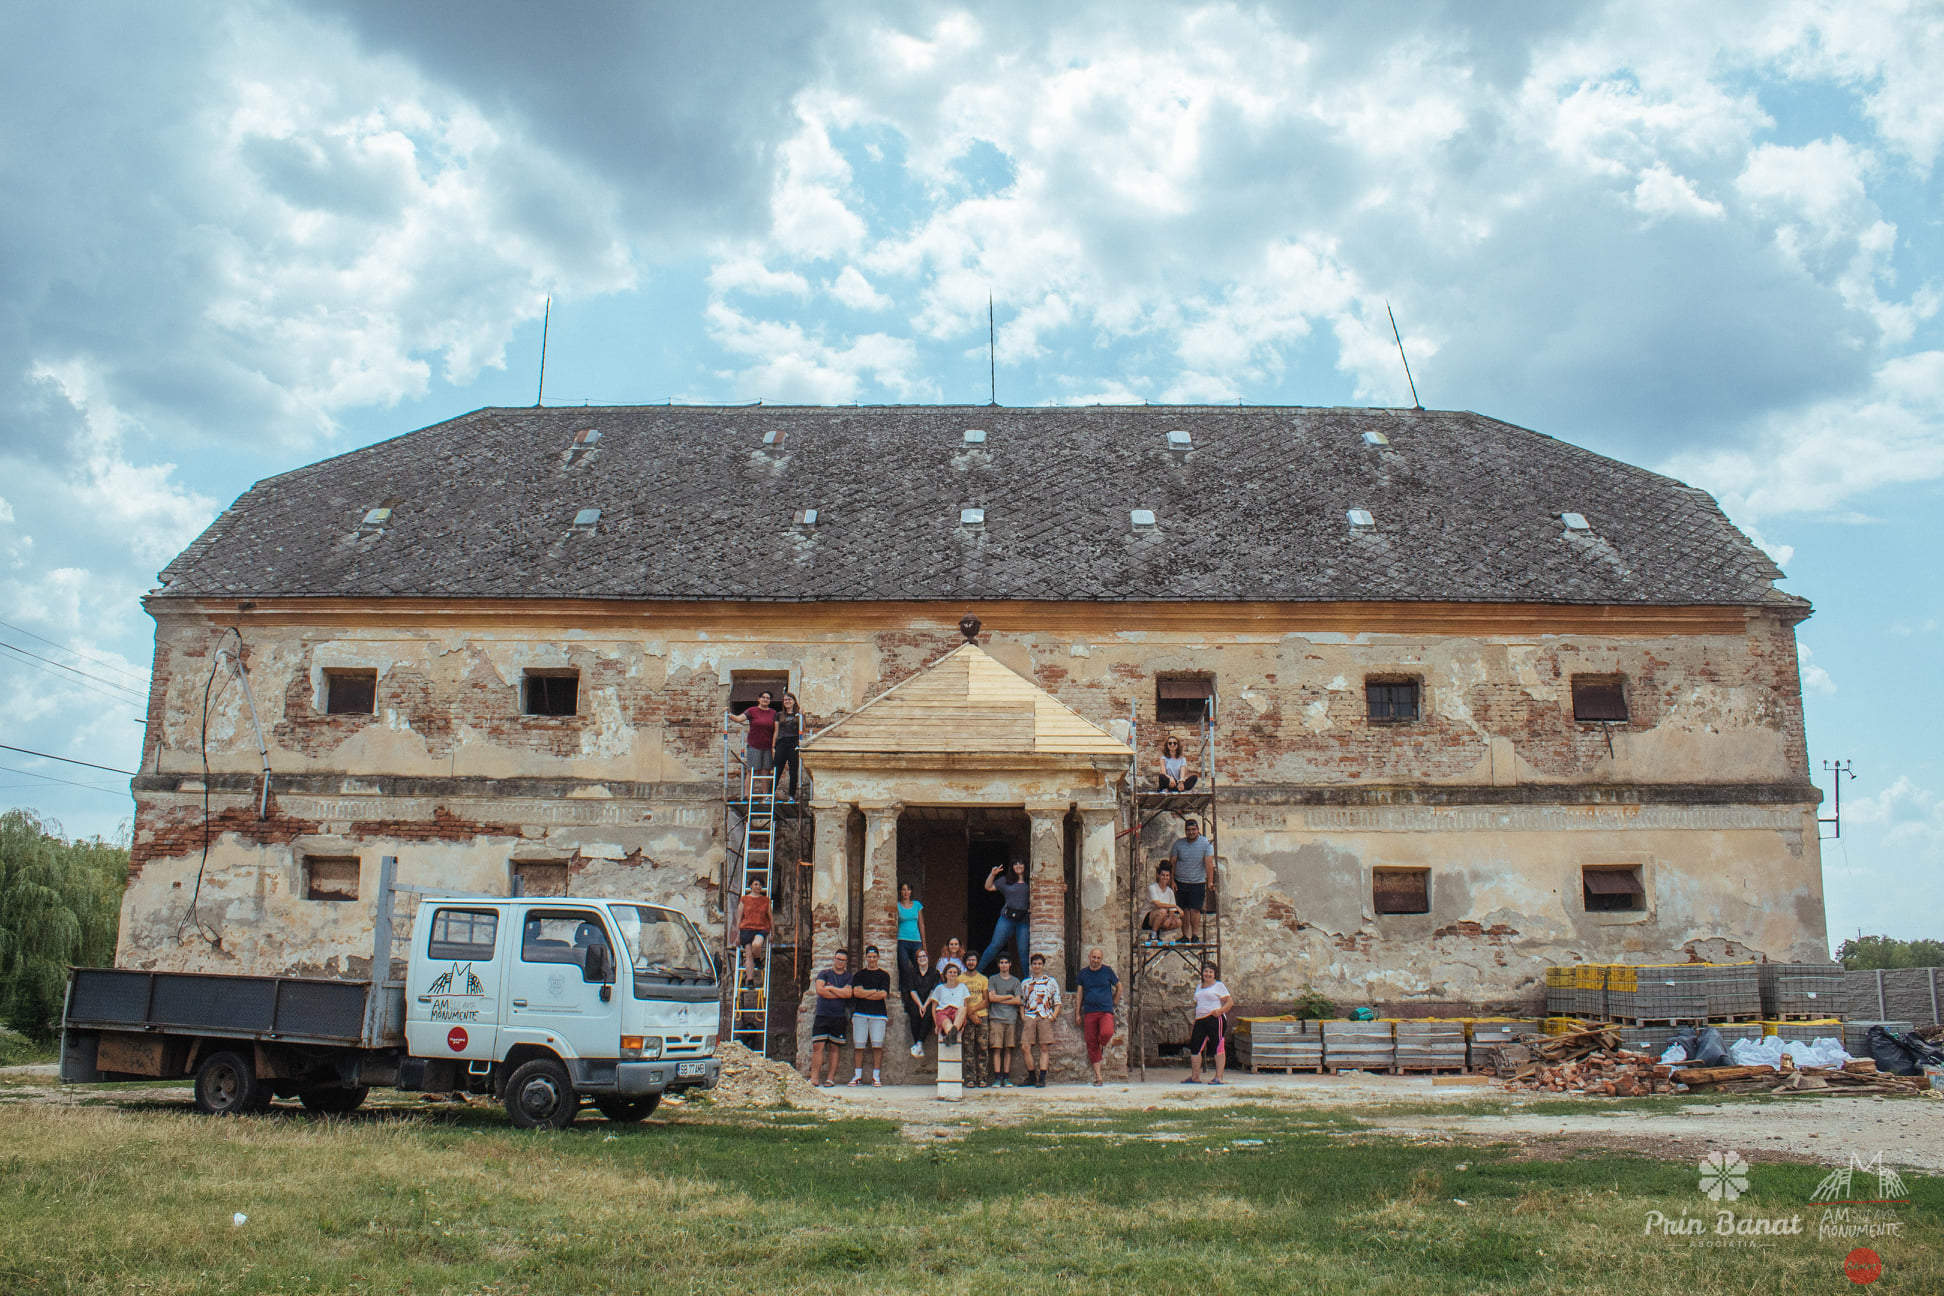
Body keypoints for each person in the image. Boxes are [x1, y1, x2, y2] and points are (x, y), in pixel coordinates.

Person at [1075, 945, 1121, 1086]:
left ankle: (1102, 1044)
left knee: (1107, 1032)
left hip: (1105, 1010)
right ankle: (1098, 1077)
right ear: (1089, 957)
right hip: (1089, 1011)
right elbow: (1079, 993)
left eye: (1098, 958)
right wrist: (1077, 1013)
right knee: (1091, 1043)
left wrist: (1115, 1001)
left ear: (1102, 959)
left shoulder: (1107, 971)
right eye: (1093, 957)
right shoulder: (1083, 973)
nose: (1095, 960)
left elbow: (1119, 986)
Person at [975, 858, 1031, 974]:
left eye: (1021, 863)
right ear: (1012, 867)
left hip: (1024, 919)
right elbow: (988, 887)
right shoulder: (1006, 880)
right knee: (994, 946)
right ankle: (976, 973)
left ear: (1025, 866)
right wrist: (992, 874)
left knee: (1023, 952)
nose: (1018, 866)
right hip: (1007, 918)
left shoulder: (1031, 881)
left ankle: (1027, 982)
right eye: (1015, 864)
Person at [1185, 962, 1234, 1085]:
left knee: (1218, 1046)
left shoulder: (1219, 986)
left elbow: (1229, 1002)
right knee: (1195, 1047)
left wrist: (1220, 1011)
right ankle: (1195, 1077)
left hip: (1214, 1019)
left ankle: (1219, 1077)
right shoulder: (1199, 987)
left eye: (1210, 972)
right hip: (1200, 1020)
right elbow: (1198, 1005)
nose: (1208, 974)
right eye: (1206, 971)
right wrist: (1195, 1022)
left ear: (1214, 974)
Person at [848, 945, 891, 1087]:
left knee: (877, 1045)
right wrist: (873, 991)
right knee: (859, 1046)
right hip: (860, 1013)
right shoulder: (859, 975)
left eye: (874, 957)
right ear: (866, 957)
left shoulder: (884, 975)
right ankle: (857, 1075)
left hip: (878, 1015)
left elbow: (883, 994)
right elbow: (856, 993)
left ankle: (876, 1076)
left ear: (878, 957)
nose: (872, 959)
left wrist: (865, 993)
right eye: (869, 957)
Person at [809, 949, 853, 1087]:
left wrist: (831, 989)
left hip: (838, 1016)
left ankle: (830, 1078)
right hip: (822, 1014)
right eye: (838, 959)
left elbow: (848, 994)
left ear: (846, 962)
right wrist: (839, 992)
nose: (840, 962)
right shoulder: (824, 974)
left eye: (843, 960)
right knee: (818, 1046)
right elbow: (820, 990)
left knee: (834, 1047)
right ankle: (814, 1078)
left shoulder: (848, 977)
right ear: (834, 959)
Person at [1020, 952, 1063, 1088]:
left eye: (1039, 964)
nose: (1037, 966)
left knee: (1044, 1046)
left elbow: (1057, 1001)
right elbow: (1022, 1001)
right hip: (1030, 1015)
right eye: (1034, 964)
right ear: (1031, 966)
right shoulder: (1026, 983)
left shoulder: (1051, 982)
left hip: (1045, 1016)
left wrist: (1053, 1016)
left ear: (1043, 965)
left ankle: (1042, 1077)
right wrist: (1023, 1016)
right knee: (1025, 1046)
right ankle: (1032, 1076)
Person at [1168, 818, 1215, 943]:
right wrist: (1171, 881)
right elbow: (1172, 863)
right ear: (1185, 831)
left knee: (1195, 909)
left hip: (1197, 882)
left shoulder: (1205, 844)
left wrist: (1210, 881)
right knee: (1183, 910)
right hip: (1181, 882)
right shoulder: (1179, 844)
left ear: (1198, 830)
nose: (1191, 832)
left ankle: (1194, 935)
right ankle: (1185, 936)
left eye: (1193, 830)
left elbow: (1209, 864)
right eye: (1188, 830)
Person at [729, 690, 779, 792]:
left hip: (768, 746)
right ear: (759, 699)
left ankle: (765, 796)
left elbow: (776, 730)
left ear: (770, 701)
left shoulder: (773, 713)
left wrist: (774, 746)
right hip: (754, 745)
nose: (765, 699)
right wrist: (728, 714)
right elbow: (739, 719)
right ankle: (747, 795)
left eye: (768, 698)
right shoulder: (752, 710)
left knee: (766, 771)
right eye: (763, 697)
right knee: (752, 771)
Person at [985, 953, 1023, 1087]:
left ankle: (1006, 1077)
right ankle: (996, 1078)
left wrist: (1000, 998)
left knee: (1008, 1048)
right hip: (996, 1018)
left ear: (1010, 964)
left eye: (1006, 962)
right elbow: (992, 998)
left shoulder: (1015, 981)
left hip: (1011, 1019)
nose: (1004, 965)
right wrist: (1008, 997)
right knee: (996, 1048)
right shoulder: (993, 979)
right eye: (1001, 963)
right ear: (998, 965)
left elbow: (1018, 1000)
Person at [959, 953, 990, 1089]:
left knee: (983, 1047)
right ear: (965, 962)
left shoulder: (983, 979)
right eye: (969, 960)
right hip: (966, 1018)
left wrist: (973, 1011)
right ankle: (970, 1078)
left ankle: (982, 1077)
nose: (971, 962)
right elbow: (959, 999)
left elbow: (986, 1000)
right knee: (968, 1048)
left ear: (977, 962)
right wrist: (970, 1014)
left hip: (982, 1016)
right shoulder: (960, 979)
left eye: (973, 960)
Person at [924, 962, 970, 1044]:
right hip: (943, 1012)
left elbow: (966, 1005)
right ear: (945, 974)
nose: (952, 974)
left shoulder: (963, 987)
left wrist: (962, 1023)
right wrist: (936, 1025)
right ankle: (952, 1034)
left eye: (955, 972)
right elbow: (934, 1007)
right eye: (950, 972)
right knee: (946, 1023)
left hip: (957, 1013)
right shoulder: (939, 988)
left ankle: (951, 1034)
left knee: (962, 1009)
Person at [895, 882, 927, 997]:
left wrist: (924, 945)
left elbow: (921, 924)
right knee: (904, 967)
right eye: (903, 889)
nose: (906, 892)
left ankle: (920, 989)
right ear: (900, 891)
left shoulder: (917, 905)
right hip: (902, 939)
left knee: (919, 965)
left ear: (911, 891)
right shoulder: (897, 905)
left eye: (908, 889)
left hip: (916, 940)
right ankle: (906, 991)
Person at [735, 879, 773, 973]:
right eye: (756, 884)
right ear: (751, 886)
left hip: (761, 928)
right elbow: (739, 918)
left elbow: (771, 918)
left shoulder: (766, 900)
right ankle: (750, 980)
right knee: (748, 955)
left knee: (756, 945)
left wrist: (773, 932)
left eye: (760, 885)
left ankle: (757, 958)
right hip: (746, 928)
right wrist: (737, 934)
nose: (758, 886)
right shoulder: (744, 899)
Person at [774, 692, 806, 801]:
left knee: (793, 770)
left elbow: (803, 729)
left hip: (793, 742)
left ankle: (791, 795)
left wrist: (802, 716)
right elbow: (776, 731)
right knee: (777, 769)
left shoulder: (798, 715)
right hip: (782, 742)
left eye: (789, 699)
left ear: (794, 701)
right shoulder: (779, 715)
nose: (787, 701)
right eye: (785, 700)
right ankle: (770, 794)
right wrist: (773, 746)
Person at [1142, 863, 1183, 943]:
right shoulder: (1152, 888)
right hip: (1147, 917)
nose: (1165, 878)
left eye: (1167, 875)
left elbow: (1172, 911)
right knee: (1162, 911)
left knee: (1178, 922)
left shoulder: (1170, 891)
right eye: (1163, 875)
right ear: (1158, 875)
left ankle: (1158, 931)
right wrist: (1176, 906)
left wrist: (1170, 919)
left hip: (1162, 917)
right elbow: (1158, 904)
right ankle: (1153, 935)